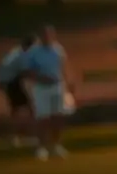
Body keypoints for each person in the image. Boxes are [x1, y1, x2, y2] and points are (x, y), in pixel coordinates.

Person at [23, 25, 77, 160]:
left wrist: (69, 82)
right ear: (41, 37)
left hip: (57, 86)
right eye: (45, 35)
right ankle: (42, 148)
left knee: (58, 117)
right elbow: (28, 71)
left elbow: (64, 66)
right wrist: (41, 78)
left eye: (50, 35)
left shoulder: (58, 49)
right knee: (43, 119)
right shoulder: (34, 52)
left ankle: (56, 145)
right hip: (41, 88)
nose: (47, 38)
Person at [0, 34, 37, 148]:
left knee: (17, 110)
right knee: (31, 108)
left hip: (9, 82)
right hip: (13, 82)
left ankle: (14, 136)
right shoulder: (22, 55)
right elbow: (25, 72)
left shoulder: (15, 52)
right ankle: (31, 135)